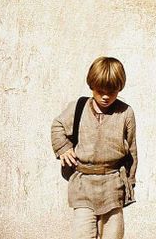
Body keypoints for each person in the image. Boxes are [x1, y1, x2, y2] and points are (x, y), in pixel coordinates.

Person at [51, 56, 138, 239]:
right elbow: (58, 125)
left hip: (113, 185)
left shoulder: (126, 113)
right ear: (91, 86)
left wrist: (129, 184)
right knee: (81, 234)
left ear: (120, 87)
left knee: (113, 235)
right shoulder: (78, 108)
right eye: (100, 91)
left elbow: (131, 152)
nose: (105, 96)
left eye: (112, 92)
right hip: (83, 184)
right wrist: (63, 148)